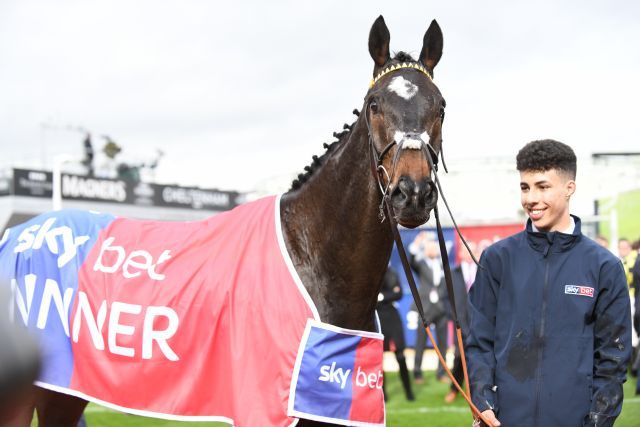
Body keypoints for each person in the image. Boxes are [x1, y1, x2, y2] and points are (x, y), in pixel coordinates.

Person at [466, 139, 631, 427]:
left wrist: (598, 420)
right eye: (525, 187)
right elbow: (479, 341)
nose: (531, 198)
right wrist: (482, 399)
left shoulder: (604, 266)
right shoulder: (496, 259)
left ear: (570, 188)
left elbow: (613, 358)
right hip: (505, 420)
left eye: (542, 187)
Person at [408, 231, 449, 384]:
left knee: (443, 343)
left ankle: (441, 372)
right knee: (420, 342)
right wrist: (416, 244)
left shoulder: (443, 265)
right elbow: (411, 261)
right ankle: (417, 373)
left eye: (435, 247)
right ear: (425, 250)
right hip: (425, 309)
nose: (433, 250)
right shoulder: (421, 264)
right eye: (430, 248)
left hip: (441, 309)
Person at [444, 240, 480, 404]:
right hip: (460, 325)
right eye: (465, 250)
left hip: (479, 324)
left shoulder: (483, 272)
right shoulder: (453, 273)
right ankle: (455, 389)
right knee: (459, 358)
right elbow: (445, 299)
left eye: (471, 249)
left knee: (479, 358)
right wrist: (454, 317)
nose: (468, 253)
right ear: (460, 253)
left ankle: (475, 390)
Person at [377, 266, 415, 401]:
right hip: (378, 318)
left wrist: (381, 296)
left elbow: (398, 294)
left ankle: (409, 392)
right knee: (378, 359)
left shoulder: (392, 272)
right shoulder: (371, 272)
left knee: (400, 356)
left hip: (392, 319)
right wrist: (389, 295)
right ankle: (383, 395)